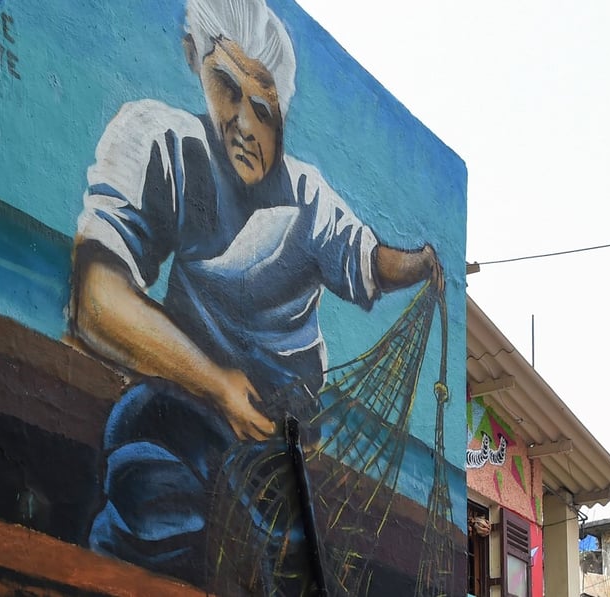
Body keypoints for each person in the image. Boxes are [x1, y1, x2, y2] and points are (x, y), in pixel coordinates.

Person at [68, 0, 443, 592]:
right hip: (189, 399)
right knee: (142, 458)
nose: (245, 124)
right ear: (195, 63)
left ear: (283, 117)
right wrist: (216, 384)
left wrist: (422, 262)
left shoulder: (307, 197)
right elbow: (96, 300)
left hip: (282, 428)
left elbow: (366, 258)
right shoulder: (161, 144)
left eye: (264, 110)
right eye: (227, 89)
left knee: (283, 548)